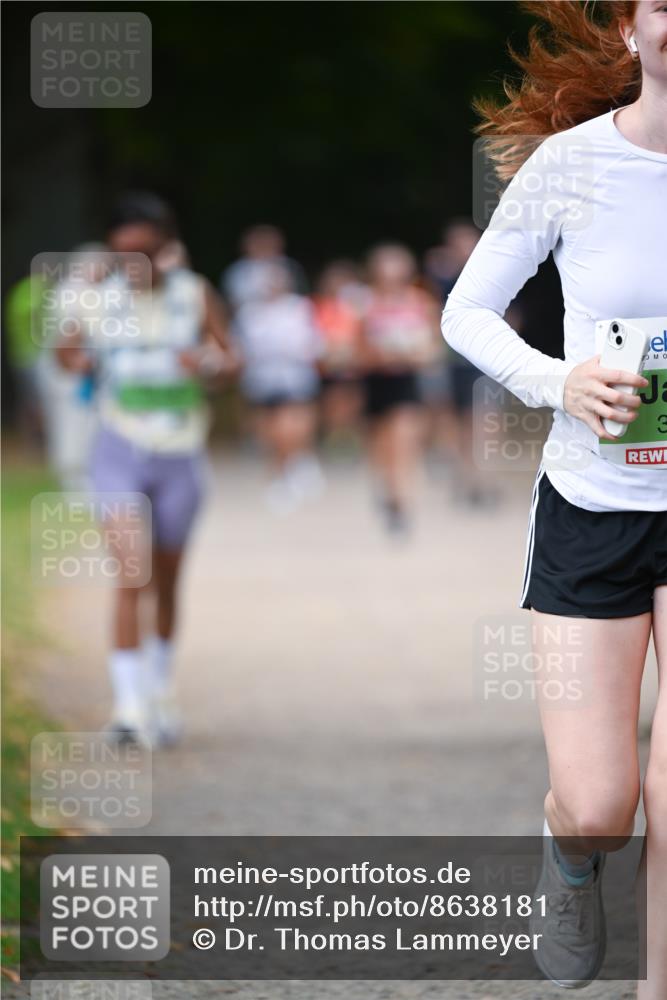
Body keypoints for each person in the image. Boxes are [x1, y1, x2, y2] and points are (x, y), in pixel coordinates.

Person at [441, 2, 666, 995]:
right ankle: (568, 854)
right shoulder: (573, 166)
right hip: (593, 505)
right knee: (602, 802)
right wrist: (559, 381)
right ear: (629, 30)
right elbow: (467, 311)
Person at [57, 192, 240, 747]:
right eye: (123, 255)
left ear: (166, 248)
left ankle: (160, 691)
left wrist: (206, 364)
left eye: (145, 252)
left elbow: (230, 359)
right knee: (130, 573)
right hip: (117, 448)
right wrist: (80, 360)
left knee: (166, 580)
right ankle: (128, 707)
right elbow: (63, 352)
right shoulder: (95, 300)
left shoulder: (194, 294)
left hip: (180, 452)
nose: (134, 266)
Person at [358, 244, 441, 535]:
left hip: (407, 382)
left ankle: (402, 502)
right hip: (375, 381)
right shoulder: (365, 303)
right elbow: (357, 348)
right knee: (381, 447)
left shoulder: (420, 301)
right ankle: (388, 491)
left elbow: (434, 347)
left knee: (403, 443)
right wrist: (378, 355)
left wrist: (413, 355)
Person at [233, 260, 325, 513]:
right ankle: (280, 471)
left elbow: (312, 341)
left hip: (294, 376)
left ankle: (294, 464)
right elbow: (242, 346)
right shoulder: (250, 313)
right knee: (269, 432)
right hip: (262, 379)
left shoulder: (299, 308)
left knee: (291, 426)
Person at [311, 261, 364, 448]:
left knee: (352, 404)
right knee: (330, 405)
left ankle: (349, 438)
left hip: (352, 366)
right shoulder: (317, 306)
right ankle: (333, 439)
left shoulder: (356, 306)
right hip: (326, 366)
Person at [221, 224, 307, 312]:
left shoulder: (288, 265)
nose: (263, 245)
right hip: (250, 317)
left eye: (268, 241)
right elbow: (231, 301)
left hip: (287, 316)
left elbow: (299, 293)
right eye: (258, 241)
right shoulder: (237, 270)